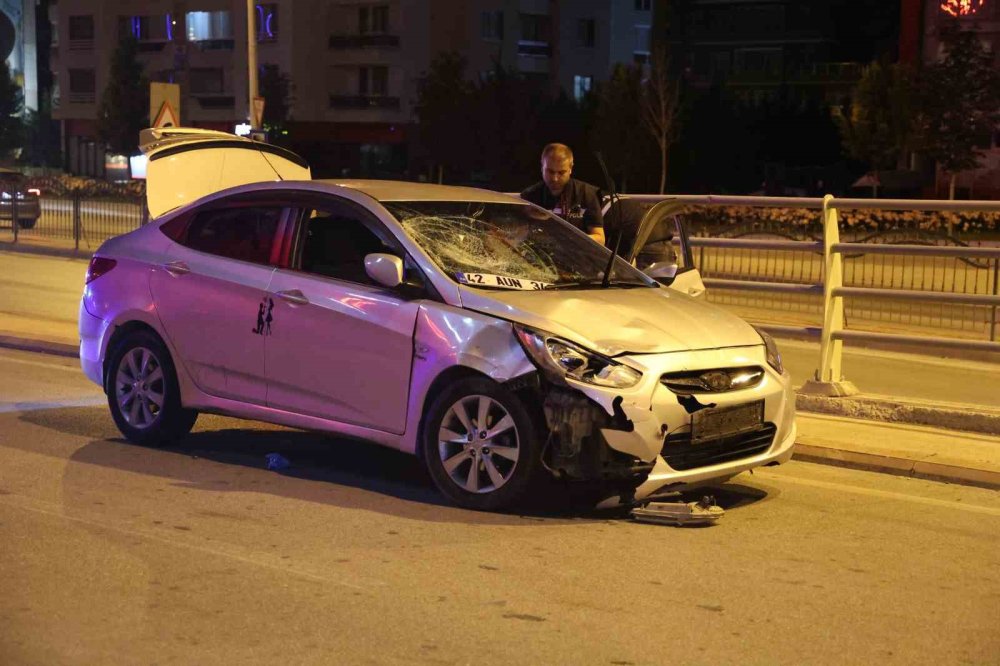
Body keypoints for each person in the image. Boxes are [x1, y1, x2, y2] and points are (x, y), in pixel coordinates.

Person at [521, 143, 605, 246]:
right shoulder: (529, 196)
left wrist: (567, 239)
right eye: (550, 172)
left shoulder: (586, 193)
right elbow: (521, 234)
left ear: (571, 168)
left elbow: (600, 238)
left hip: (577, 255)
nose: (555, 178)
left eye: (561, 173)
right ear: (542, 166)